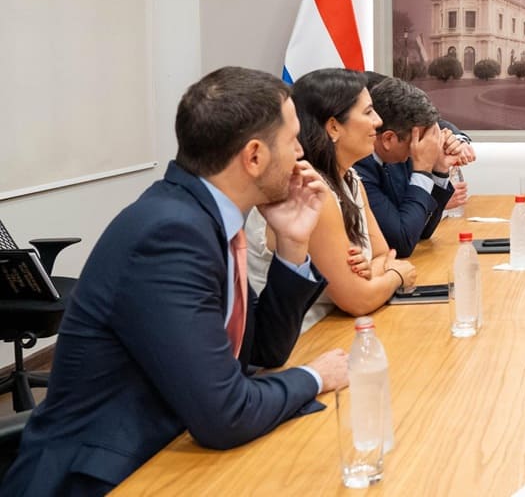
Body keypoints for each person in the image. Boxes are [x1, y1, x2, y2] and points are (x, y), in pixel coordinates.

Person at [1, 68, 349, 496]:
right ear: (254, 156)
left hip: (170, 451)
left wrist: (293, 244)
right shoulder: (169, 235)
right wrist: (314, 376)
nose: (301, 152)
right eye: (293, 139)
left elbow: (263, 350)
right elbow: (224, 415)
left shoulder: (204, 218)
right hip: (102, 479)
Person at [289, 68, 419, 328]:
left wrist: (374, 271)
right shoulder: (311, 188)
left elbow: (385, 252)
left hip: (339, 328)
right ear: (334, 126)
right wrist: (396, 274)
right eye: (368, 112)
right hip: (307, 341)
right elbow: (357, 300)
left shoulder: (350, 179)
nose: (379, 121)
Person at [355, 76, 465, 257]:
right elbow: (402, 242)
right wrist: (423, 170)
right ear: (389, 139)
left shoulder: (398, 156)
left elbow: (422, 231)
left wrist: (438, 170)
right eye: (420, 139)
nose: (425, 146)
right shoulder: (359, 167)